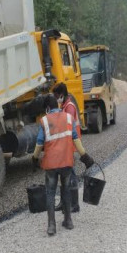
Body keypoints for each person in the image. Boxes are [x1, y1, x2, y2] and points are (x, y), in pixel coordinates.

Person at [32, 95, 95, 236]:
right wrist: (84, 156)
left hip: (51, 165)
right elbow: (75, 139)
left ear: (47, 108)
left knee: (50, 193)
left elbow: (39, 143)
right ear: (57, 105)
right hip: (66, 162)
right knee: (66, 190)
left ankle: (51, 226)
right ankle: (68, 221)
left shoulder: (44, 120)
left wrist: (34, 158)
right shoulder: (68, 118)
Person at [52, 83, 81, 212]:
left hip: (70, 145)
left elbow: (69, 129)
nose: (55, 97)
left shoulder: (69, 107)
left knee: (71, 175)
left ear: (62, 94)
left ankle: (74, 204)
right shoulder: (63, 106)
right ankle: (64, 203)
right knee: (64, 175)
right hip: (65, 146)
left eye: (56, 95)